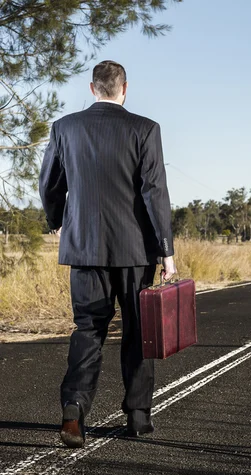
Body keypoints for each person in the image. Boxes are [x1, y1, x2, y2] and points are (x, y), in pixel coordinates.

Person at [39, 60, 176, 449]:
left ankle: (74, 409)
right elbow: (155, 194)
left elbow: (49, 185)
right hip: (136, 252)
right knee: (139, 331)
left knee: (88, 330)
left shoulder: (64, 128)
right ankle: (137, 416)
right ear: (124, 89)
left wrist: (57, 222)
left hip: (83, 248)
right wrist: (167, 253)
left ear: (92, 88)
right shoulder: (145, 129)